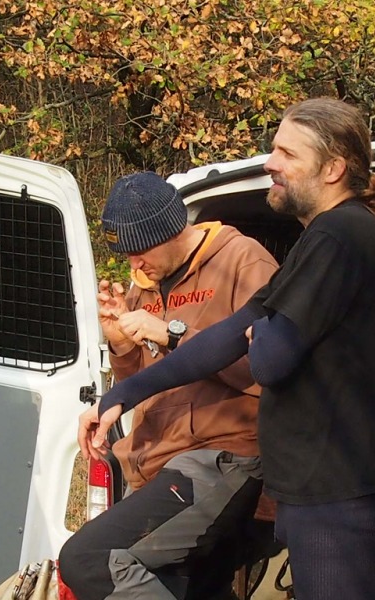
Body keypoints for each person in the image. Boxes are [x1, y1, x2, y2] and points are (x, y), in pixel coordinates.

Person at [80, 98, 375, 600]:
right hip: (314, 484)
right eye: (273, 150)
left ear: (333, 168)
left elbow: (269, 359)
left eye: (287, 153)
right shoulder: (319, 240)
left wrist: (255, 334)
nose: (270, 163)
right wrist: (121, 397)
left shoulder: (340, 233)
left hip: (339, 483)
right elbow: (229, 336)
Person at [58, 171, 278, 600]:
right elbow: (147, 386)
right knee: (189, 588)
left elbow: (269, 371)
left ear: (169, 228)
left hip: (225, 453)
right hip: (157, 461)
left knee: (87, 559)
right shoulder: (148, 287)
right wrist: (122, 345)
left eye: (139, 251)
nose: (133, 265)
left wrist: (170, 332)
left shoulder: (243, 261)